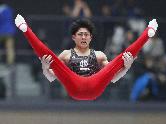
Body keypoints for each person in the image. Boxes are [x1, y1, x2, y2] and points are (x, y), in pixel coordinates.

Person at [15, 14, 158, 100]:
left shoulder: (99, 55)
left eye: (86, 35)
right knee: (50, 57)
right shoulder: (66, 55)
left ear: (91, 38)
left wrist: (126, 67)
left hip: (95, 86)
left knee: (123, 57)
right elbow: (51, 77)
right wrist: (45, 67)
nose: (83, 37)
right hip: (74, 86)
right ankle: (25, 29)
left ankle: (148, 33)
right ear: (73, 37)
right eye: (80, 34)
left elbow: (113, 78)